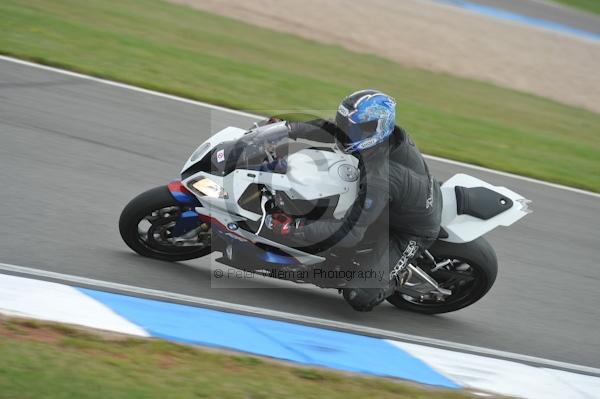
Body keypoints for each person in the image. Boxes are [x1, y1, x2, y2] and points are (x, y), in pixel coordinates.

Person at [265, 89, 443, 311]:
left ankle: (397, 276)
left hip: (411, 229)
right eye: (345, 124)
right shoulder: (384, 138)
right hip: (397, 199)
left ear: (377, 129)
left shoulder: (380, 178)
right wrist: (287, 128)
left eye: (354, 129)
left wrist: (292, 230)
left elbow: (349, 233)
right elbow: (330, 130)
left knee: (359, 296)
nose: (346, 132)